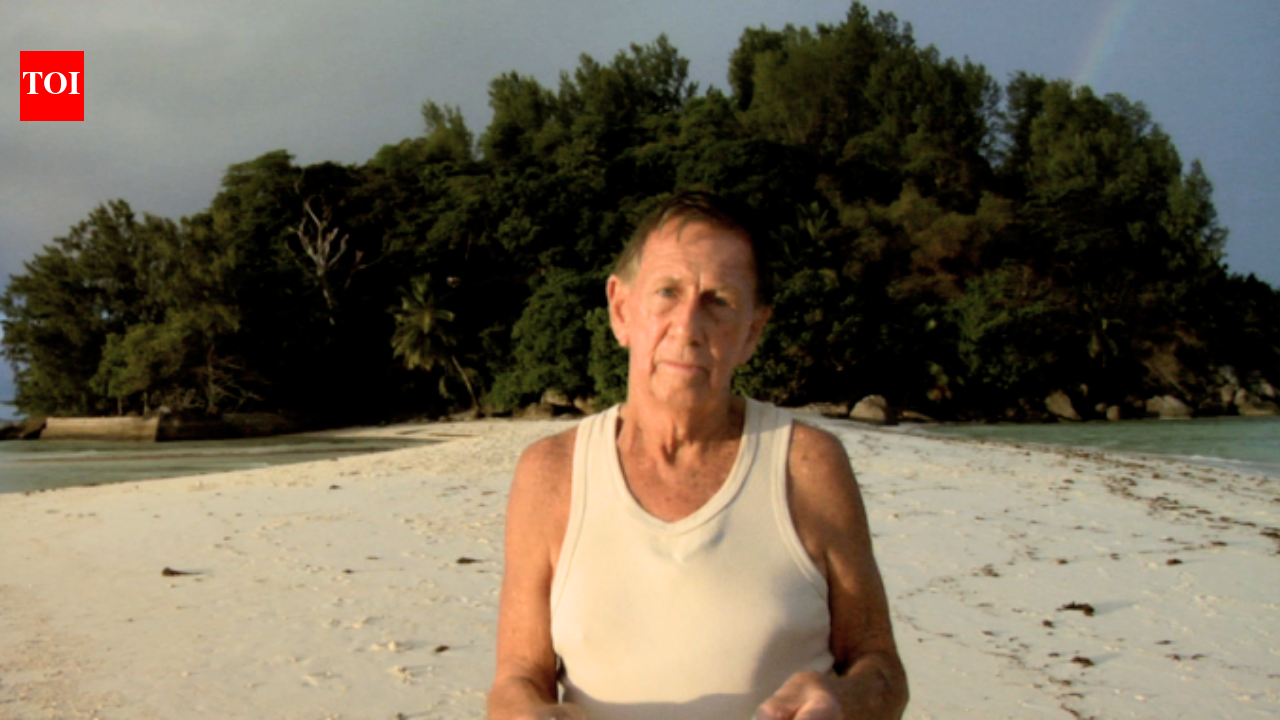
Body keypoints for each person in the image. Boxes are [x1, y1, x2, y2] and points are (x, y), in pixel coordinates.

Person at [488, 192, 908, 720]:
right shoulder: (551, 473)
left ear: (752, 331)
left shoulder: (806, 465)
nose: (688, 326)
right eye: (667, 292)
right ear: (621, 309)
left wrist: (843, 701)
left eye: (720, 301)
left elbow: (881, 669)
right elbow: (518, 678)